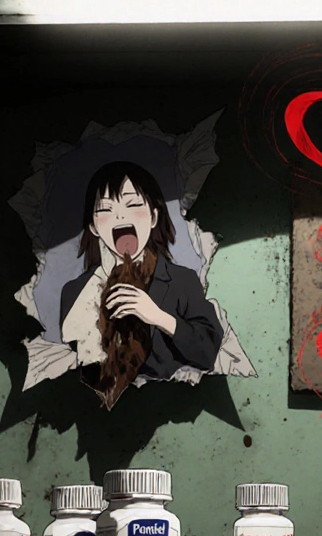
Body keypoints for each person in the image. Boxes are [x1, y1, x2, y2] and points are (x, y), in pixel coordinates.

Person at [59, 161, 222, 395]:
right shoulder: (75, 292)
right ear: (94, 227)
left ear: (153, 217)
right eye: (105, 209)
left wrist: (158, 316)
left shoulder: (181, 281)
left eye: (133, 204)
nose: (120, 215)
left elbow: (208, 353)